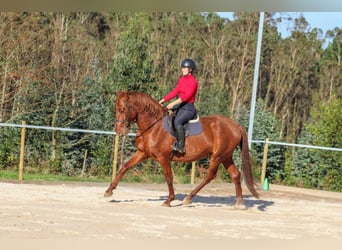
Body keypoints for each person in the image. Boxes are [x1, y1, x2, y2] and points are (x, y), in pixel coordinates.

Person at [159, 58, 198, 153]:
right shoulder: (181, 80)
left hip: (188, 107)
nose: (182, 69)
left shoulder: (193, 82)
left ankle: (181, 146)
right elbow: (175, 92)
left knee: (177, 122)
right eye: (182, 68)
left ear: (190, 70)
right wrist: (163, 100)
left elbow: (186, 97)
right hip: (181, 106)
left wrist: (172, 104)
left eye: (185, 68)